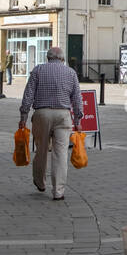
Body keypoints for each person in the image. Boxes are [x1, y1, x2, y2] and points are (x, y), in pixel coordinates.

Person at [19, 45, 83, 199]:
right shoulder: (71, 72)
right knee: (60, 154)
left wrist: (23, 117)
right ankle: (58, 192)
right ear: (62, 59)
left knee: (41, 150)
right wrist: (78, 119)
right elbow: (77, 98)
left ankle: (40, 183)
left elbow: (28, 95)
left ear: (48, 58)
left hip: (42, 114)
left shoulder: (38, 70)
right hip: (63, 115)